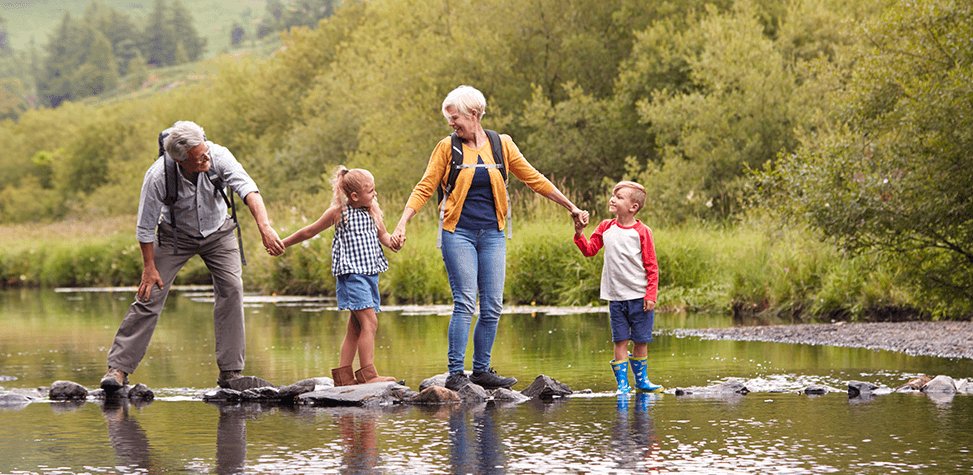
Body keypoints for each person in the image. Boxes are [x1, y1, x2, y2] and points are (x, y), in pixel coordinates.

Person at [390, 85, 588, 391]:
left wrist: (570, 206)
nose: (451, 123)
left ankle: (481, 370)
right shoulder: (447, 147)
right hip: (458, 233)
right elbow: (425, 186)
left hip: (493, 233)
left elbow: (534, 178)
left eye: (454, 117)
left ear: (474, 113)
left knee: (493, 304)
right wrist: (403, 221)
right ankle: (456, 373)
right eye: (449, 119)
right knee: (466, 301)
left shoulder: (501, 144)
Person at [100, 120, 285, 393]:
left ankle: (230, 373)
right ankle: (118, 370)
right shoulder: (158, 176)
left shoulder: (218, 155)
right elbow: (145, 226)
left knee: (232, 290)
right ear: (180, 160)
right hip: (174, 236)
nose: (206, 157)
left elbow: (249, 190)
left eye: (205, 150)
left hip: (219, 232)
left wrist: (265, 227)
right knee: (149, 294)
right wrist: (149, 267)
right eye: (199, 157)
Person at [279, 166, 399, 385]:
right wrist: (283, 243)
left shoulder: (372, 211)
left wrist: (394, 242)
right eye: (371, 191)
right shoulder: (339, 213)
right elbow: (310, 231)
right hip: (352, 276)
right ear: (354, 196)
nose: (375, 195)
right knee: (370, 323)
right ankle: (368, 375)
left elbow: (383, 235)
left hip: (370, 274)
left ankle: (343, 377)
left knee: (355, 326)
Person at [573, 180, 663, 394]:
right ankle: (623, 385)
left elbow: (652, 266)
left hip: (640, 297)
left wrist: (651, 295)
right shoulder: (605, 227)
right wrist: (579, 233)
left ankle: (642, 381)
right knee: (620, 340)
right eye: (613, 195)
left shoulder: (642, 232)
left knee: (641, 340)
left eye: (619, 196)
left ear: (634, 207)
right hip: (616, 298)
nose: (612, 199)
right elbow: (589, 250)